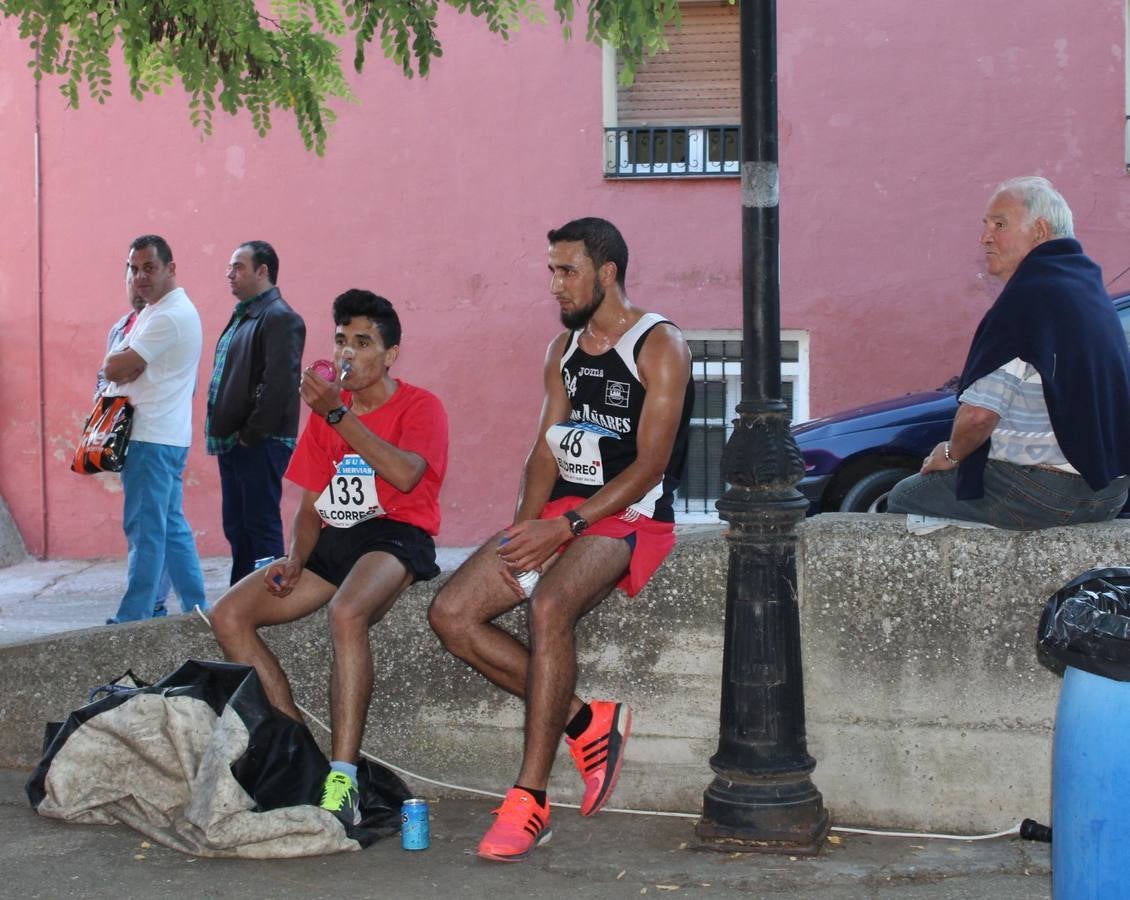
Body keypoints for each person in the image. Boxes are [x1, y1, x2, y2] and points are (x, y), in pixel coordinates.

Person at [428, 217, 693, 862]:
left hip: (630, 515)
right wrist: (526, 529)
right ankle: (584, 719)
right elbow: (545, 451)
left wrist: (566, 529)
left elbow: (650, 465)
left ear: (606, 273)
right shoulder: (563, 352)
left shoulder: (660, 345)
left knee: (549, 606)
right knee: (451, 615)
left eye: (566, 270)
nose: (555, 284)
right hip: (563, 514)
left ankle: (531, 800)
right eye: (551, 270)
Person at [210, 289, 448, 828]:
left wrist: (338, 414)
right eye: (341, 340)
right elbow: (312, 501)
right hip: (333, 542)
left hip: (395, 535)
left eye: (362, 343)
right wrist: (296, 558)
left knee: (346, 613)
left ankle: (344, 777)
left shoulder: (418, 406)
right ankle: (300, 750)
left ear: (389, 355)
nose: (346, 353)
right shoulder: (325, 416)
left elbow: (407, 474)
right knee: (229, 614)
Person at [888, 176, 1130, 528]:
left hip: (1047, 492)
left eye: (999, 225)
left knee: (904, 496)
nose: (985, 237)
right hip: (1109, 493)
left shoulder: (1026, 300)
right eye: (985, 225)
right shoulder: (1087, 290)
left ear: (1040, 231)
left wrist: (951, 454)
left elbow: (979, 417)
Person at [102, 235, 207, 623]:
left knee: (145, 532)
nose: (140, 277)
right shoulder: (157, 309)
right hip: (162, 436)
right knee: (171, 529)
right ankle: (199, 610)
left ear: (171, 269)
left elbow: (113, 369)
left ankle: (133, 620)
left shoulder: (167, 315)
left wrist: (123, 363)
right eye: (134, 268)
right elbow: (117, 363)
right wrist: (124, 362)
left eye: (149, 267)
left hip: (151, 437)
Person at [206, 241, 306, 585]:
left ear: (263, 271)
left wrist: (251, 435)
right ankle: (241, 599)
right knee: (239, 527)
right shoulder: (248, 314)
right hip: (237, 441)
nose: (229, 274)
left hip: (258, 442)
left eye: (238, 267)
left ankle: (271, 599)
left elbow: (280, 386)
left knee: (260, 526)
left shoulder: (280, 317)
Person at [97, 269, 175, 616]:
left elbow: (141, 375)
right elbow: (107, 375)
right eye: (131, 275)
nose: (137, 285)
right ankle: (149, 603)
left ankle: (149, 605)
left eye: (146, 274)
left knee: (154, 524)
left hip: (156, 433)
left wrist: (123, 372)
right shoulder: (121, 327)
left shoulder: (163, 324)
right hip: (123, 432)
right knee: (145, 523)